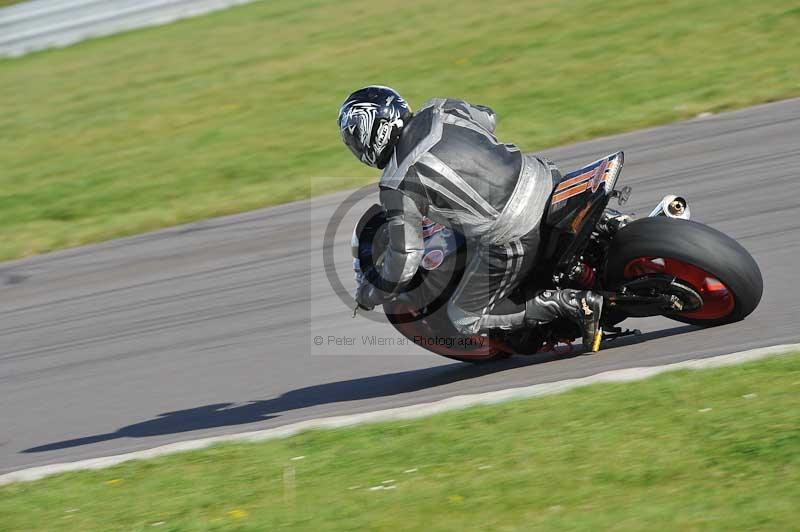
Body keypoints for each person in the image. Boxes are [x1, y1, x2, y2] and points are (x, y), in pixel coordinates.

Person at [338, 85, 605, 351]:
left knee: (463, 317)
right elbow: (488, 118)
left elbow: (406, 257)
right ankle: (611, 226)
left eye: (356, 140)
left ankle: (569, 302)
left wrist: (370, 294)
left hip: (514, 231)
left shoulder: (397, 183)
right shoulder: (438, 108)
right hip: (543, 175)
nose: (358, 149)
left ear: (373, 130)